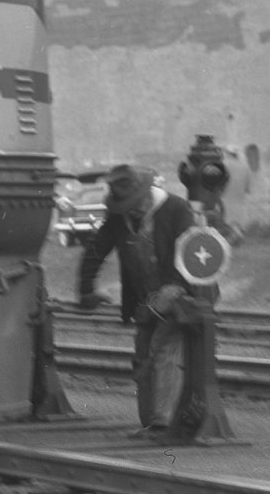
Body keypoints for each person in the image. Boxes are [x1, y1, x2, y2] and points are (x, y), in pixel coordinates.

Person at [76, 163, 214, 435]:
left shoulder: (176, 209)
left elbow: (190, 251)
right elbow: (96, 250)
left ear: (147, 194)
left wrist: (175, 286)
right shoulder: (119, 217)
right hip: (145, 301)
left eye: (134, 204)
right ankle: (152, 422)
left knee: (164, 352)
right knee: (143, 359)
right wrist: (86, 289)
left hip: (179, 299)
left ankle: (162, 422)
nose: (132, 210)